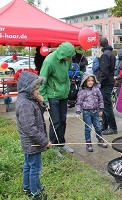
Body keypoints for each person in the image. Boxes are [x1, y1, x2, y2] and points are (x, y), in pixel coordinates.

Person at [16, 71, 52, 200]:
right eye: (36, 89)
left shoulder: (29, 100)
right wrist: (44, 141)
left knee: (28, 165)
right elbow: (30, 128)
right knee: (35, 168)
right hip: (33, 143)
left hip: (31, 143)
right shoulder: (25, 104)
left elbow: (38, 113)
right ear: (28, 89)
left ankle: (27, 187)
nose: (38, 91)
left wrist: (41, 103)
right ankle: (36, 193)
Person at [39, 42, 75, 157]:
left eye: (70, 57)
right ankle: (54, 146)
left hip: (63, 94)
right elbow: (42, 81)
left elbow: (66, 74)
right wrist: (44, 99)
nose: (70, 59)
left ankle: (61, 143)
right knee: (55, 122)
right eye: (68, 56)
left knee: (63, 120)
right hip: (52, 95)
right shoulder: (49, 61)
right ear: (63, 54)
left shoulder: (67, 59)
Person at [75, 72, 108, 152]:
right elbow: (79, 103)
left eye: (92, 80)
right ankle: (88, 142)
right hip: (86, 112)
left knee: (98, 127)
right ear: (85, 81)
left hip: (95, 112)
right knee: (88, 128)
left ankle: (100, 139)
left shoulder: (96, 90)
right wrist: (78, 112)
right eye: (88, 81)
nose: (90, 82)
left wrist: (101, 109)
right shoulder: (82, 91)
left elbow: (101, 100)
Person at [93, 37, 118, 135]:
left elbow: (104, 72)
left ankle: (112, 128)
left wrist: (99, 84)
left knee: (107, 106)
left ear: (100, 45)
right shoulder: (112, 54)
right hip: (109, 82)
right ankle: (104, 126)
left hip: (106, 84)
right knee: (105, 105)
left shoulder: (105, 55)